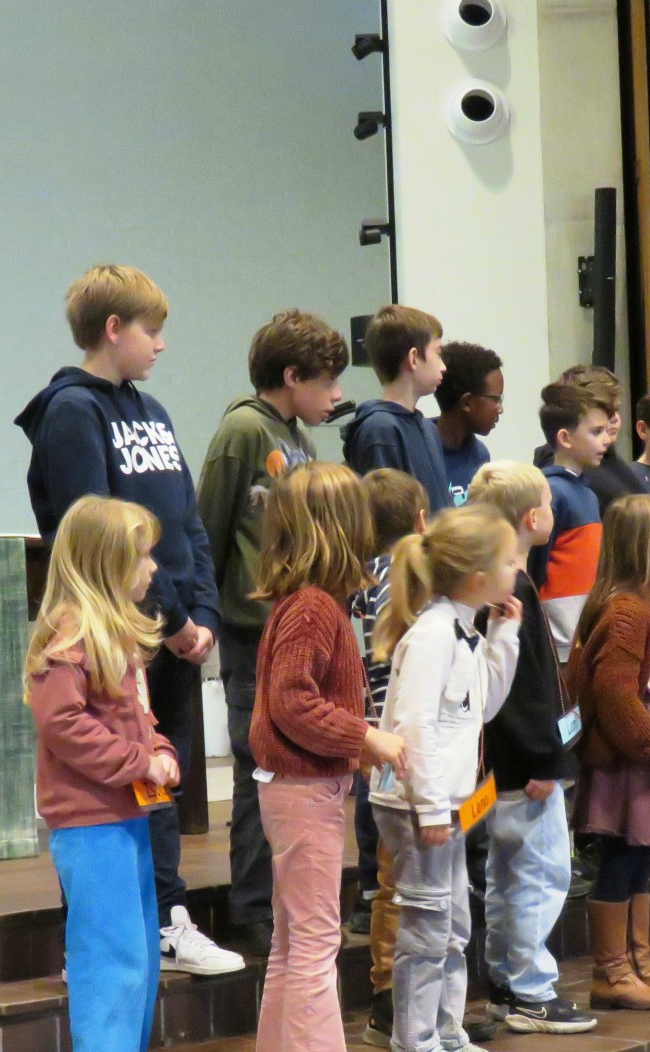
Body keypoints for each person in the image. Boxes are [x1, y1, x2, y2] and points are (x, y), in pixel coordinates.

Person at [17, 266, 242, 971]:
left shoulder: (152, 411)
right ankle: (104, 929)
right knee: (117, 779)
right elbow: (101, 536)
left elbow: (188, 522)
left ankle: (166, 912)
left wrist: (199, 610)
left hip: (171, 625)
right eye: (153, 330)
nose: (162, 345)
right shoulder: (71, 413)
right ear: (113, 330)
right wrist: (168, 619)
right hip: (120, 632)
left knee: (162, 773)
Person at [248, 462, 406, 1052]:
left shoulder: (309, 600)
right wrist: (365, 734)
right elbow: (292, 701)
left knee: (293, 938)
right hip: (304, 789)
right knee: (314, 939)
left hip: (300, 787)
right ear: (344, 527)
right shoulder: (315, 605)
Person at [195, 311, 347, 966]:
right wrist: (212, 612)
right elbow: (208, 526)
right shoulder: (243, 431)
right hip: (255, 631)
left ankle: (288, 898)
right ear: (292, 376)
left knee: (296, 772)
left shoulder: (298, 437)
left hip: (301, 629)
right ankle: (251, 909)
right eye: (328, 381)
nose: (336, 395)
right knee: (261, 767)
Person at [26, 496, 178, 1052]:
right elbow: (62, 723)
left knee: (139, 945)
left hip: (123, 815)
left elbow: (137, 715)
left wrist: (158, 748)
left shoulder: (112, 632)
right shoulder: (71, 633)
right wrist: (137, 762)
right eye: (140, 555)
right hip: (91, 821)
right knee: (107, 949)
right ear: (105, 564)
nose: (152, 568)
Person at [370, 505, 521, 1052]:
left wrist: (504, 634)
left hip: (445, 802)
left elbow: (478, 708)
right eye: (510, 561)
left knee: (454, 922)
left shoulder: (463, 629)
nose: (517, 569)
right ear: (478, 578)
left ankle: (446, 1033)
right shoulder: (433, 634)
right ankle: (413, 1047)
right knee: (428, 923)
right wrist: (431, 805)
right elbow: (412, 728)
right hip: (416, 805)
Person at [466, 462, 597, 1034]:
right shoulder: (509, 586)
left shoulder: (498, 579)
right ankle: (528, 989)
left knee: (508, 873)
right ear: (532, 517)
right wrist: (546, 759)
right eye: (548, 500)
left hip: (509, 762)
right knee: (539, 874)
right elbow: (520, 690)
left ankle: (506, 984)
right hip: (525, 764)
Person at [569, 495, 650, 1010]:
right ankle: (612, 972)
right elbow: (614, 692)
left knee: (641, 856)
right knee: (622, 859)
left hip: (637, 759)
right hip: (625, 761)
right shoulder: (628, 612)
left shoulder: (634, 604)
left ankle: (638, 961)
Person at [350, 468, 426, 1047]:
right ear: (422, 520)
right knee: (400, 878)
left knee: (394, 876)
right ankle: (389, 998)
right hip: (400, 744)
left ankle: (396, 994)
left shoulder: (361, 580)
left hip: (381, 740)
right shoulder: (406, 582)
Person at [342, 304, 451, 515]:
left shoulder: (427, 428)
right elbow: (389, 517)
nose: (443, 366)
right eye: (438, 353)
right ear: (413, 358)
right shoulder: (380, 429)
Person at [533, 382, 613, 661]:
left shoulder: (586, 493)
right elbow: (535, 566)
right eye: (596, 432)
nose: (607, 440)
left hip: (579, 637)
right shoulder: (551, 492)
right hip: (557, 643)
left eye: (606, 430)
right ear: (565, 438)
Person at [558, 365, 645, 511]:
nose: (614, 418)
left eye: (616, 410)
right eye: (604, 412)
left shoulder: (609, 458)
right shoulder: (570, 473)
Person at [434, 342, 502, 507]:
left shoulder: (480, 454)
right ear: (467, 402)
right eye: (496, 399)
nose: (500, 409)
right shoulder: (423, 453)